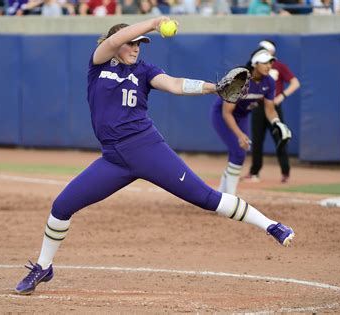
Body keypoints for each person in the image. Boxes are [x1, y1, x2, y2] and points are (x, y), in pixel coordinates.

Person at [15, 17, 295, 295]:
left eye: (140, 45)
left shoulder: (145, 71)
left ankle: (271, 225)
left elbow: (174, 84)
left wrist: (213, 87)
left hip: (147, 149)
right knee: (62, 206)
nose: (136, 48)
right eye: (131, 43)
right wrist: (152, 23)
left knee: (207, 198)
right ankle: (43, 266)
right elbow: (112, 41)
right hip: (113, 160)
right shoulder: (99, 65)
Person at [211, 50, 289, 195]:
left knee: (239, 152)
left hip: (242, 116)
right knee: (238, 151)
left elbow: (270, 110)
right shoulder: (241, 80)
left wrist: (278, 123)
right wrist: (240, 135)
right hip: (223, 115)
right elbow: (227, 112)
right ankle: (231, 198)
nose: (269, 66)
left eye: (271, 62)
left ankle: (221, 196)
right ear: (255, 64)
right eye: (265, 62)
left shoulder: (269, 81)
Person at [245, 40, 300, 184]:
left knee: (280, 137)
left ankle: (285, 172)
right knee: (257, 140)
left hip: (273, 106)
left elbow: (295, 83)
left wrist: (282, 96)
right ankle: (254, 172)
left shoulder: (279, 66)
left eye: (265, 49)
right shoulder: (255, 68)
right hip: (258, 105)